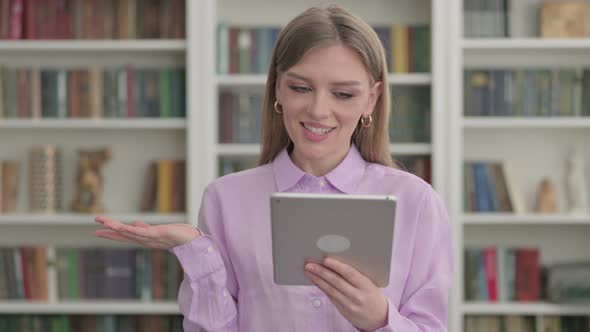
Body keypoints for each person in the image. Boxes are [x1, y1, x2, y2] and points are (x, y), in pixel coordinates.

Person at [94, 5, 453, 332]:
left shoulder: (416, 202)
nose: (317, 110)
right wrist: (195, 250)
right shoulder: (226, 198)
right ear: (278, 88)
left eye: (343, 94)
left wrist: (379, 319)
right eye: (300, 87)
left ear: (370, 99)